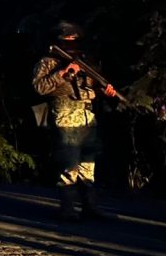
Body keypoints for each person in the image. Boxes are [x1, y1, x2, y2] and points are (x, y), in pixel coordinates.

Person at [32, 21, 118, 221]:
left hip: (87, 116)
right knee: (69, 166)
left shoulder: (86, 61)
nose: (72, 43)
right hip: (65, 116)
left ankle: (90, 207)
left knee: (88, 166)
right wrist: (64, 73)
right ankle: (68, 210)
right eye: (68, 40)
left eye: (75, 40)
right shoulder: (48, 61)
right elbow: (39, 87)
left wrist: (104, 91)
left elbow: (94, 85)